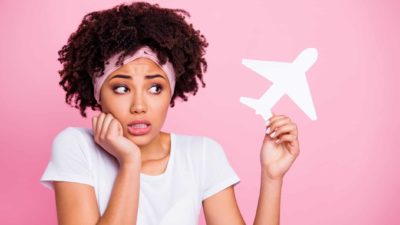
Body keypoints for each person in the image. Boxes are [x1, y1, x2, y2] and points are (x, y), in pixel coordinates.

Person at [40, 2, 300, 225]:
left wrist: (271, 176)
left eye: (155, 88)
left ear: (171, 93)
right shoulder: (76, 146)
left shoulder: (202, 155)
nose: (139, 106)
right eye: (121, 88)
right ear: (99, 94)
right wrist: (130, 162)